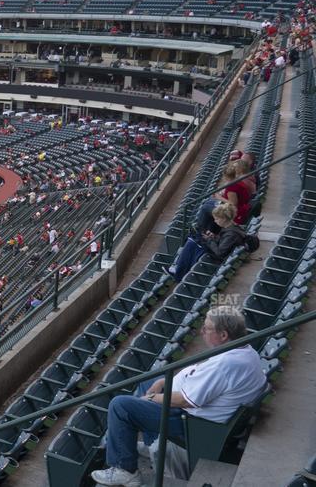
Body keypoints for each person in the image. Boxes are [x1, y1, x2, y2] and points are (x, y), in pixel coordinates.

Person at [91, 306, 267, 487]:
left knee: (120, 406)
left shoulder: (226, 364)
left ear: (223, 335)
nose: (202, 331)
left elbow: (186, 400)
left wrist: (151, 399)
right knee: (149, 382)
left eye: (207, 328)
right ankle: (153, 445)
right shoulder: (245, 350)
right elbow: (197, 372)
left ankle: (124, 470)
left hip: (190, 423)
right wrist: (163, 383)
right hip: (202, 414)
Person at [169, 203, 249, 280]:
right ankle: (180, 269)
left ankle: (178, 273)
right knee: (193, 239)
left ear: (224, 219)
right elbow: (223, 242)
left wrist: (209, 240)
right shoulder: (231, 228)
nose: (215, 221)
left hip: (218, 258)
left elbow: (220, 253)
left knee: (191, 243)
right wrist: (214, 237)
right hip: (219, 252)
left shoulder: (231, 234)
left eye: (217, 219)